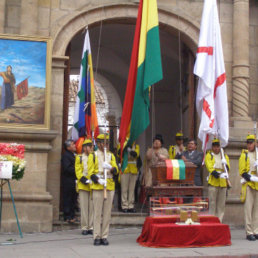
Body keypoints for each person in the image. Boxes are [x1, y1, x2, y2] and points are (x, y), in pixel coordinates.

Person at [88, 134, 118, 246]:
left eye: (107, 143)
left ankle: (104, 236)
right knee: (97, 213)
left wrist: (110, 167)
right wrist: (98, 180)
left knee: (107, 213)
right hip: (98, 186)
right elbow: (90, 173)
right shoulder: (93, 155)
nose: (106, 145)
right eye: (103, 143)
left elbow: (116, 171)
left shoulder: (111, 155)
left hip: (109, 185)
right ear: (99, 143)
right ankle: (96, 236)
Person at [205, 138, 230, 222]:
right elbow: (210, 167)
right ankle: (212, 221)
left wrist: (225, 164)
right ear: (212, 147)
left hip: (223, 183)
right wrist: (218, 174)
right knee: (212, 204)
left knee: (221, 205)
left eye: (217, 146)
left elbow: (227, 169)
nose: (216, 148)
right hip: (213, 182)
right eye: (214, 146)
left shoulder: (224, 156)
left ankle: (219, 221)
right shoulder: (209, 155)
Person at [239, 134, 258, 241]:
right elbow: (242, 172)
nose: (249, 145)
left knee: (256, 210)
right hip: (249, 184)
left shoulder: (257, 154)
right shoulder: (244, 155)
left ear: (255, 143)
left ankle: (256, 231)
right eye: (248, 143)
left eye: (251, 143)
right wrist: (251, 178)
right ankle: (249, 232)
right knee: (248, 209)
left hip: (257, 184)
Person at [75, 139, 94, 235]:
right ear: (84, 148)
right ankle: (84, 227)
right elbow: (78, 170)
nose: (90, 148)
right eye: (88, 146)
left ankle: (91, 226)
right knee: (84, 207)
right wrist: (82, 179)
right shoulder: (79, 157)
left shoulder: (94, 157)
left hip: (92, 184)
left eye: (91, 146)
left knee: (92, 207)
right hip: (83, 184)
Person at [120, 142, 140, 213]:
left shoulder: (136, 146)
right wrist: (124, 147)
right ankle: (124, 205)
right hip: (124, 169)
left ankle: (130, 206)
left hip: (133, 170)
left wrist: (129, 150)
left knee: (132, 189)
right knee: (124, 189)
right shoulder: (122, 144)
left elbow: (135, 155)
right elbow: (119, 153)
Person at [61, 139, 77, 223]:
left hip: (73, 181)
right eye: (72, 144)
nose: (74, 145)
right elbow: (67, 168)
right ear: (68, 147)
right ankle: (68, 216)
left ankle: (72, 215)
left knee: (73, 199)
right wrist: (77, 170)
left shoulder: (73, 154)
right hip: (68, 181)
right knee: (68, 198)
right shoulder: (66, 155)